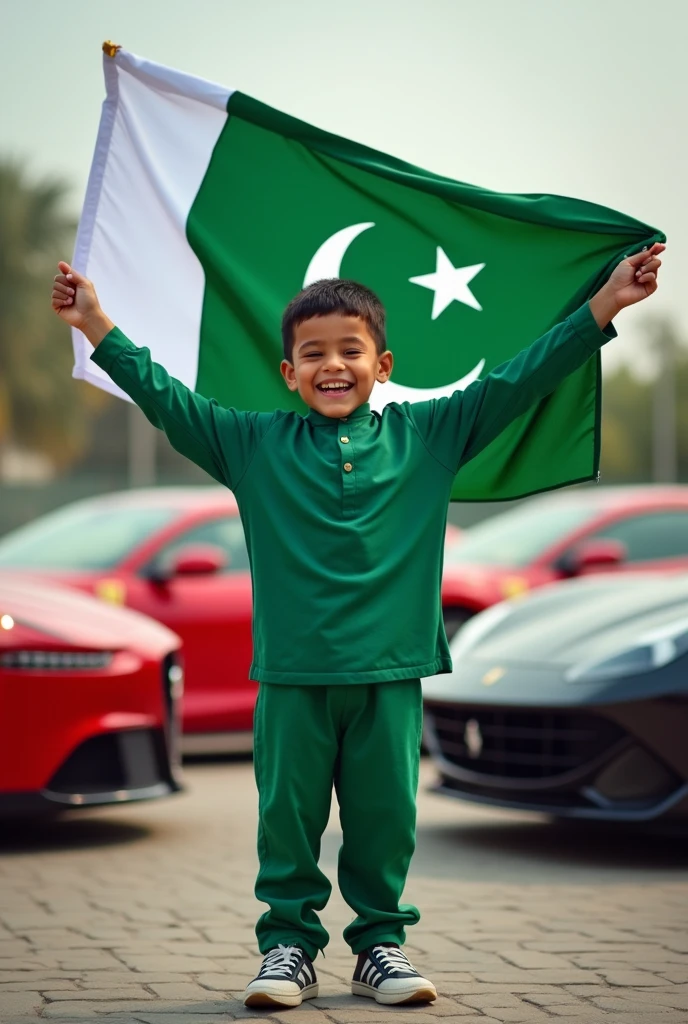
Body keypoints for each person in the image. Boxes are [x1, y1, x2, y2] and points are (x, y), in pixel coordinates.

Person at [51, 242, 664, 1008]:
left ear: (384, 364)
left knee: (384, 824)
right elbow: (169, 400)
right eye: (313, 354)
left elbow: (520, 379)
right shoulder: (251, 445)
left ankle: (382, 946)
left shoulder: (430, 436)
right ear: (288, 373)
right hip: (293, 678)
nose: (332, 365)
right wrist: (98, 324)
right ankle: (285, 950)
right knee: (288, 824)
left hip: (391, 673)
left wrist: (604, 306)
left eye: (351, 349)